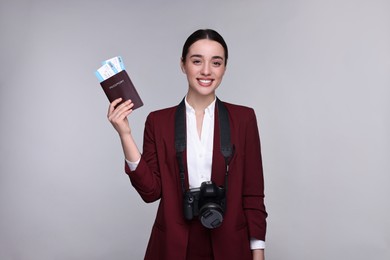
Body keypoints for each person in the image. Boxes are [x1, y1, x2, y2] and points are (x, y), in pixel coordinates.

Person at [107, 29, 267, 260]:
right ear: (183, 65)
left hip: (230, 246)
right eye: (196, 61)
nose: (206, 71)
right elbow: (151, 192)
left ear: (225, 68)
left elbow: (253, 194)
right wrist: (125, 134)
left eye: (216, 62)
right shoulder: (158, 121)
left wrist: (258, 252)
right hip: (174, 245)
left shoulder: (244, 119)